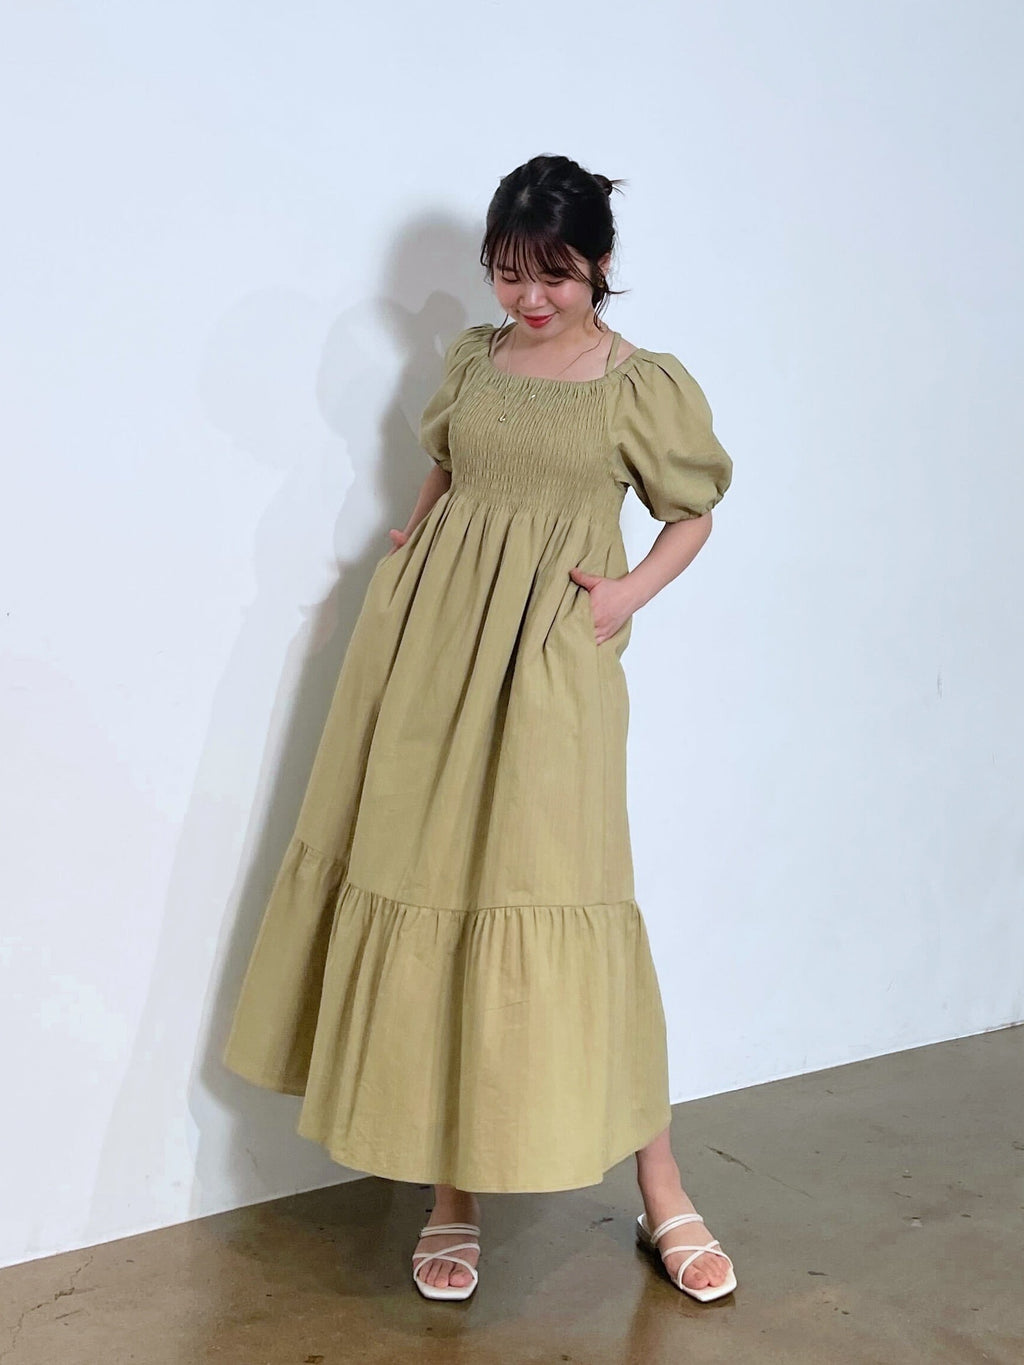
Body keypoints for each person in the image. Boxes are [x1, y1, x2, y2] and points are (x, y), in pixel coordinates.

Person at [223, 153, 736, 1304]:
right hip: (425, 655)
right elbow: (447, 469)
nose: (530, 297)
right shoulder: (472, 358)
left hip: (548, 664)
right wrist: (412, 546)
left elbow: (692, 513)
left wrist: (621, 598)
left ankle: (663, 1190)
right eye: (509, 272)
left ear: (600, 264)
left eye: (554, 273)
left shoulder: (638, 384)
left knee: (569, 897)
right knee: (433, 888)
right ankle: (448, 1196)